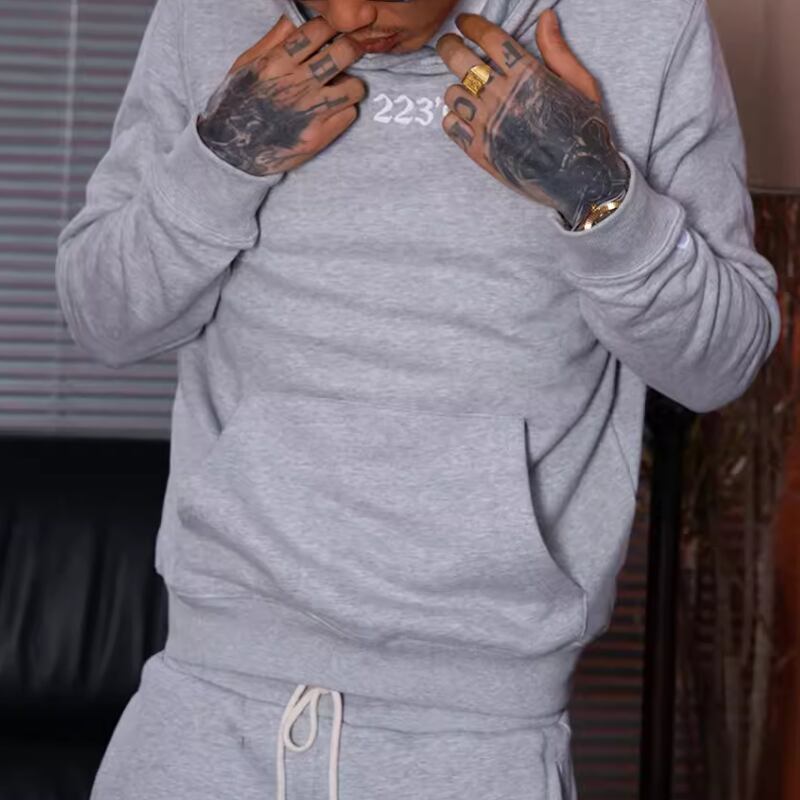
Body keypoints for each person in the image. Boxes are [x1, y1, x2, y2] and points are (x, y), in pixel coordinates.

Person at [54, 0, 781, 796]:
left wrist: (600, 197)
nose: (351, 14)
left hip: (478, 741)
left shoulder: (642, 24)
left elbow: (721, 364)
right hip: (200, 714)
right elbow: (104, 319)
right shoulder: (206, 16)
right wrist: (219, 158)